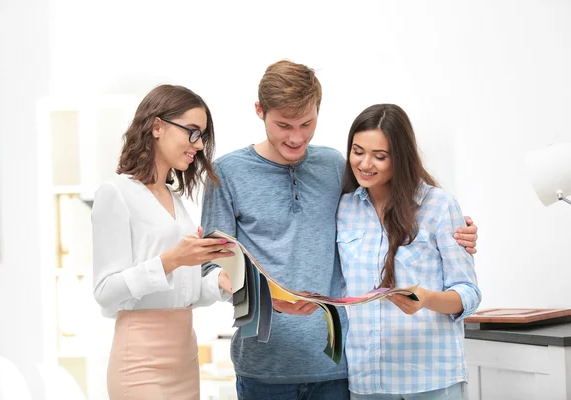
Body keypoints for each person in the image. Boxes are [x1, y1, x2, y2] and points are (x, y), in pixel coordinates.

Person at [201, 60, 479, 400]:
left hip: (338, 367)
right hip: (264, 368)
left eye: (307, 123)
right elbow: (212, 268)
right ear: (260, 111)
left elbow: (386, 210)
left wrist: (457, 232)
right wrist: (266, 299)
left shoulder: (334, 166)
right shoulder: (225, 174)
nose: (296, 137)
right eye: (284, 125)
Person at [91, 84, 236, 400]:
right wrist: (173, 259)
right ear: (157, 126)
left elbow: (184, 292)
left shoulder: (174, 199)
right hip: (140, 359)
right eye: (192, 132)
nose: (198, 145)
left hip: (184, 354)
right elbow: (104, 292)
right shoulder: (116, 193)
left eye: (202, 136)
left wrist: (218, 282)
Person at [337, 104, 481, 399]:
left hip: (431, 378)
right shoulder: (344, 209)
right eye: (357, 151)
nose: (365, 163)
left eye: (380, 156)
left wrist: (426, 299)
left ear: (400, 158)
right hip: (368, 382)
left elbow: (468, 293)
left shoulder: (439, 206)